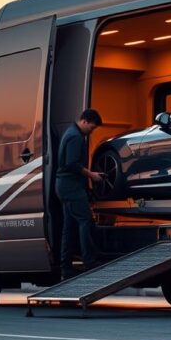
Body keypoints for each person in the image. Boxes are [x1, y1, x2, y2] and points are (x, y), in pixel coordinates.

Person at [57, 109, 105, 280]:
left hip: (64, 186)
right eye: (91, 128)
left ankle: (66, 269)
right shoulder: (76, 137)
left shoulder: (70, 133)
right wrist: (92, 175)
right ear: (84, 121)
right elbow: (71, 164)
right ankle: (90, 262)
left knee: (69, 228)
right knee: (85, 220)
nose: (91, 132)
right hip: (71, 187)